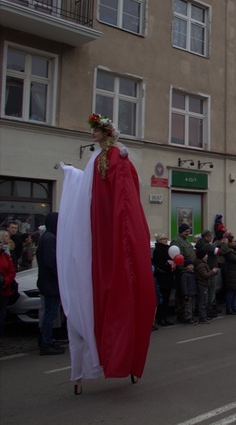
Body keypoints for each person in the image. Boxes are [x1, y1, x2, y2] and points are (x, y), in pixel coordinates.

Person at [58, 114, 155, 395]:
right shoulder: (95, 158)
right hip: (95, 229)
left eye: (96, 130)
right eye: (92, 130)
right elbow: (89, 188)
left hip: (107, 231)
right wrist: (70, 174)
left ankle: (118, 358)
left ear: (105, 132)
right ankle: (89, 364)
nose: (92, 134)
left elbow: (123, 197)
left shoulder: (115, 157)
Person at [36, 212, 64, 355]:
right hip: (51, 284)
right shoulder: (50, 239)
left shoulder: (47, 237)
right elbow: (51, 262)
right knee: (50, 315)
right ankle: (46, 343)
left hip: (48, 282)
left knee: (50, 314)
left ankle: (47, 340)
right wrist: (62, 275)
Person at [152, 233, 175, 326]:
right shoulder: (158, 250)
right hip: (162, 277)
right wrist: (168, 266)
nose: (165, 240)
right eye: (163, 239)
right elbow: (160, 263)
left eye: (166, 238)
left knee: (167, 299)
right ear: (159, 240)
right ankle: (160, 318)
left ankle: (165, 317)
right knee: (162, 298)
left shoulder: (169, 249)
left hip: (169, 276)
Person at [0, 236, 17, 344]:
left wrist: (5, 281)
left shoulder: (5, 256)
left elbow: (12, 271)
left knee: (1, 315)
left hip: (3, 290)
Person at [180, 259, 198, 325]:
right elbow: (184, 285)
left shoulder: (192, 273)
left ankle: (192, 317)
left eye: (192, 265)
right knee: (188, 306)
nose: (191, 267)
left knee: (193, 306)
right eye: (189, 265)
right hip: (188, 293)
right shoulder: (184, 274)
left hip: (193, 292)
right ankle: (188, 318)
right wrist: (186, 294)